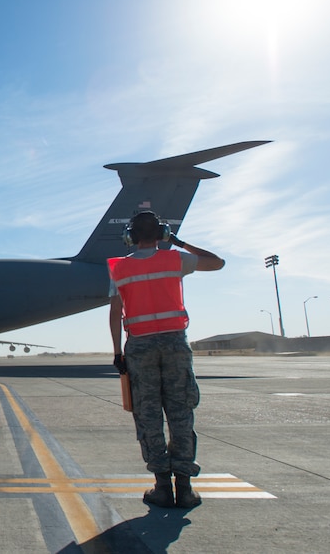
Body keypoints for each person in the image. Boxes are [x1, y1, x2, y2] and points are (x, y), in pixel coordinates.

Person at [107, 211, 225, 509]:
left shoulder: (119, 268)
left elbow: (114, 312)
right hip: (174, 344)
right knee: (180, 413)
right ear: (160, 234)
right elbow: (217, 262)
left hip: (140, 347)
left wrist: (117, 352)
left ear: (130, 237)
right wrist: (176, 241)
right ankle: (184, 488)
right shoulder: (175, 260)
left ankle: (161, 486)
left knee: (148, 415)